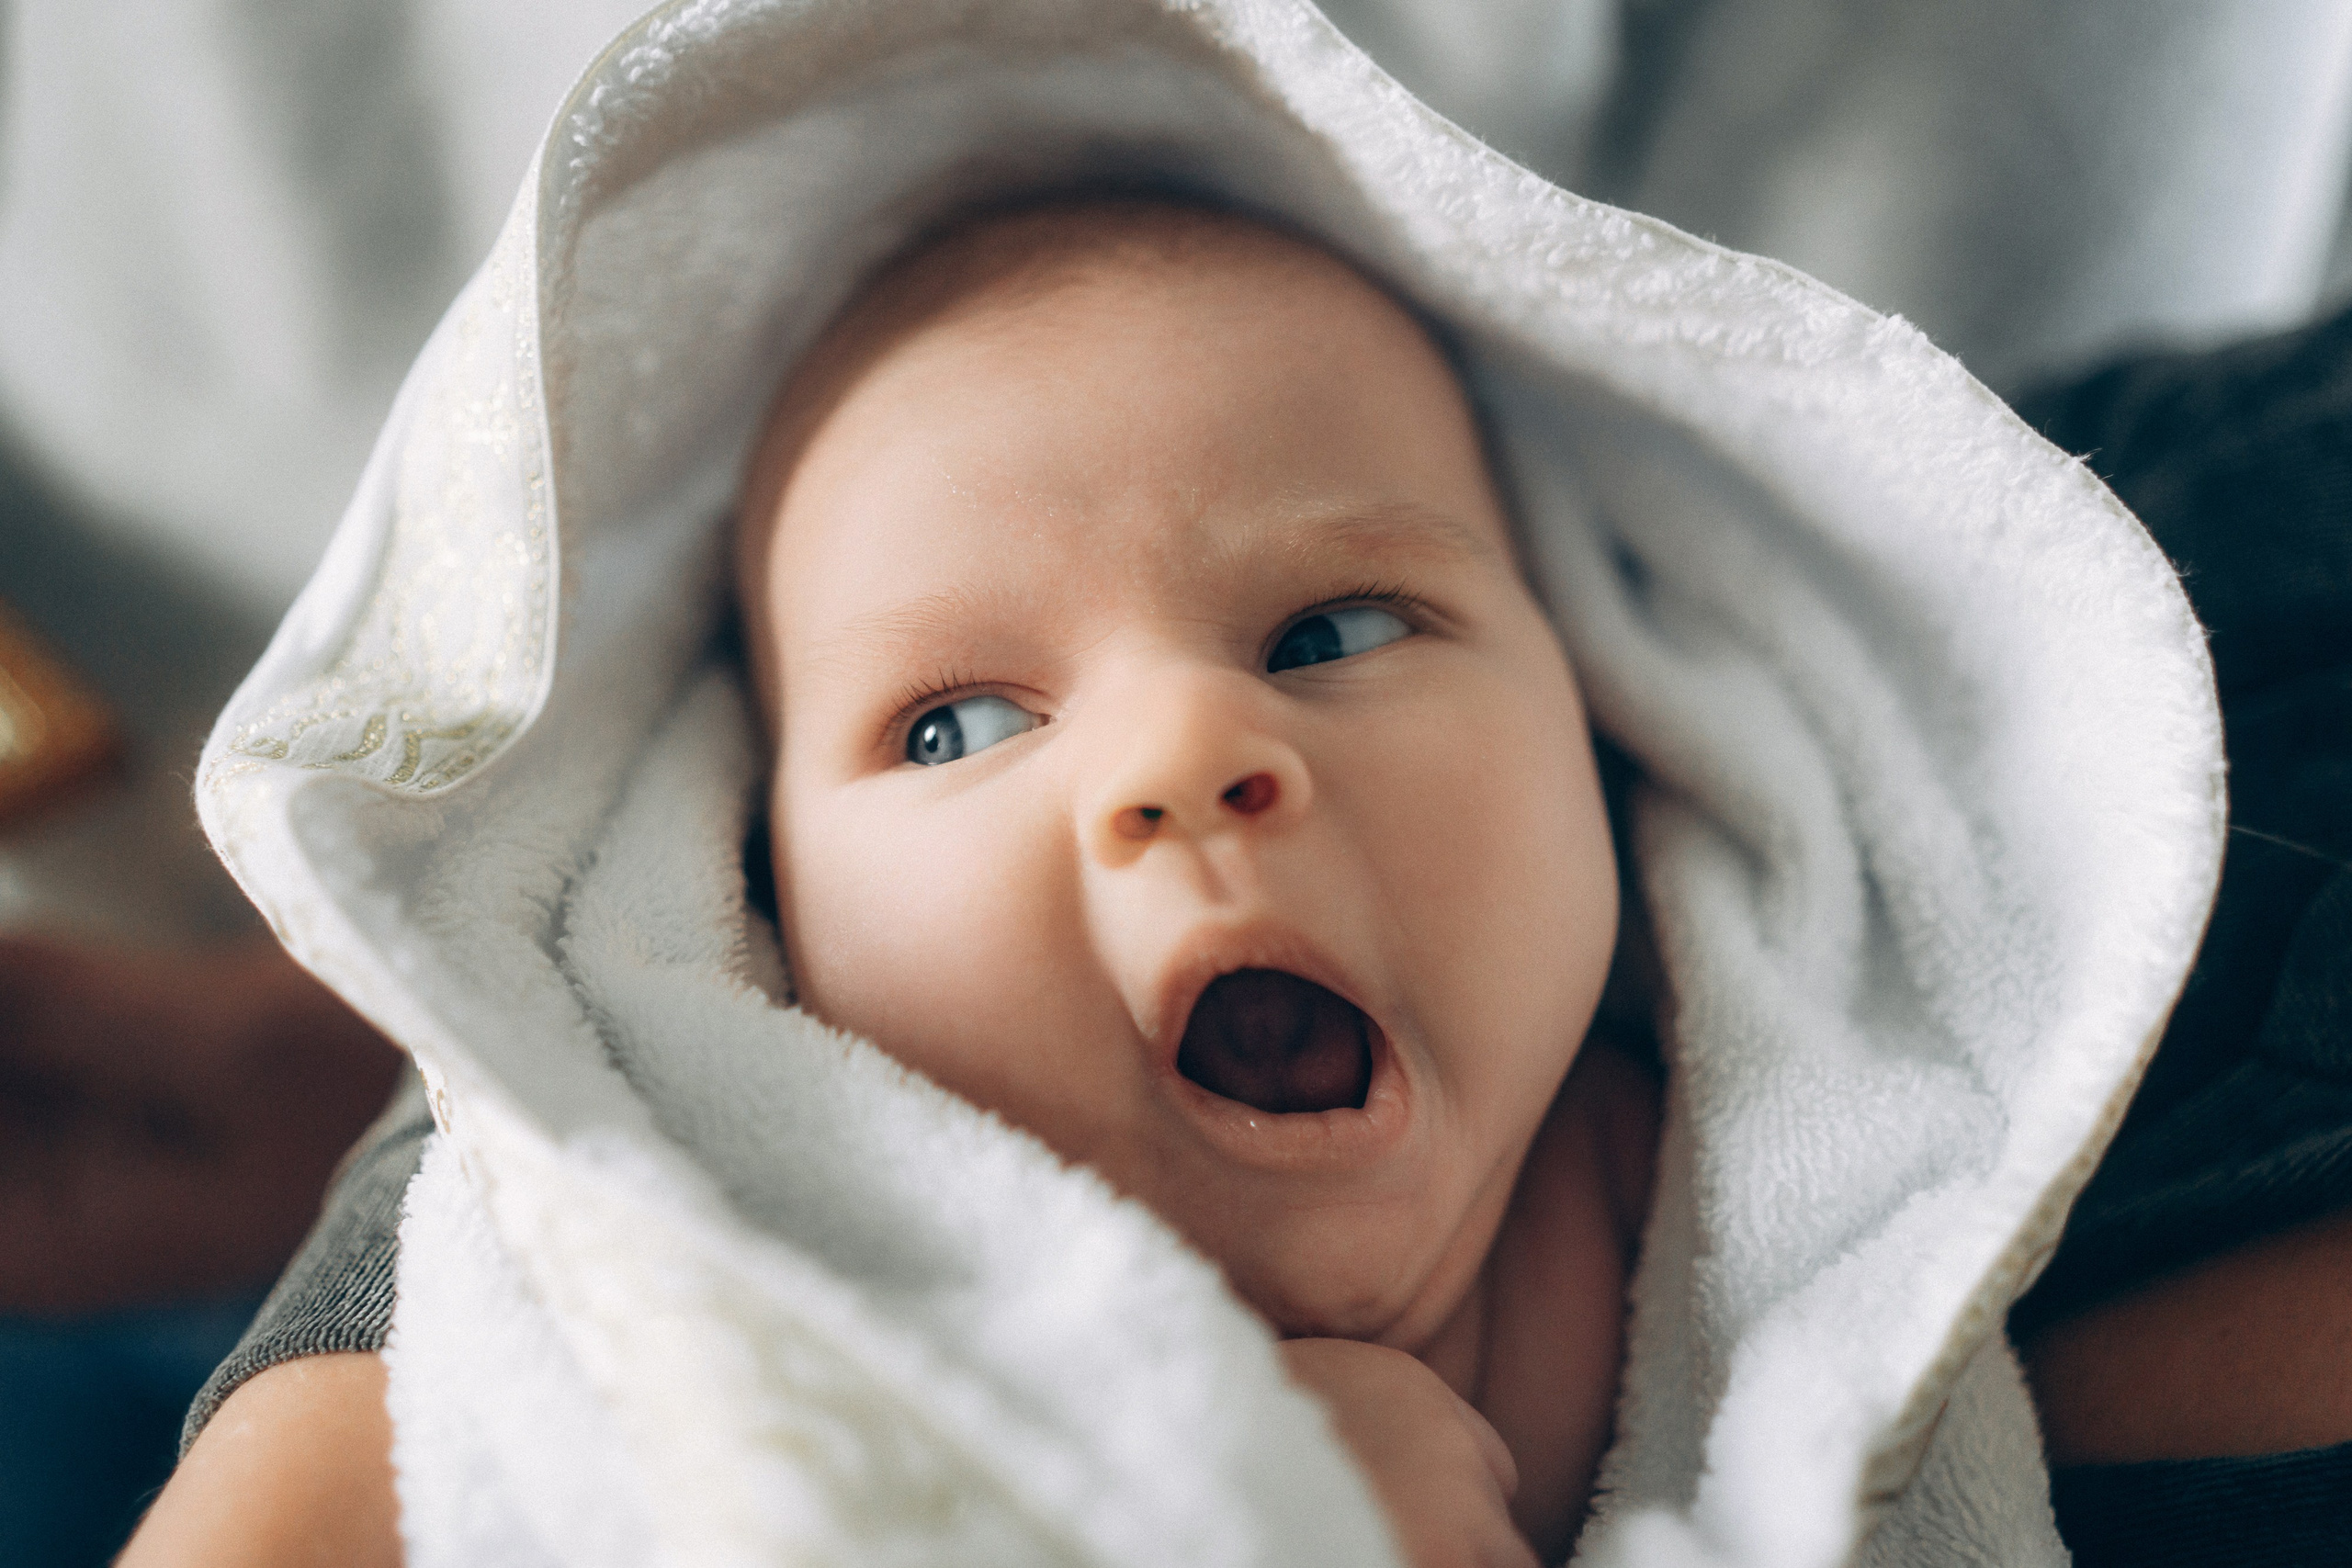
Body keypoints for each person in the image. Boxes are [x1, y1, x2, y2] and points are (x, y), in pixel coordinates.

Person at [120, 1, 2248, 1563]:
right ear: (760, 913)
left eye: (1330, 629)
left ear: (1612, 722)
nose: (1183, 760)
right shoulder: (701, 1273)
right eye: (953, 722)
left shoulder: (1775, 1170)